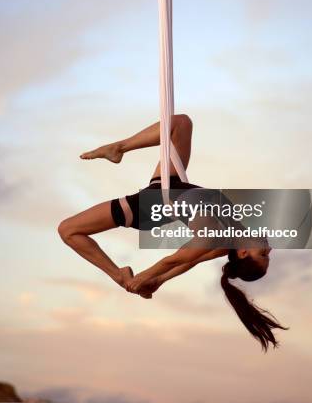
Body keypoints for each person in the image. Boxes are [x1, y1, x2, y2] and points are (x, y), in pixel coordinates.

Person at [58, 114, 288, 350]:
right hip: (172, 184)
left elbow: (177, 259)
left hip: (148, 207)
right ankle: (119, 148)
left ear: (243, 253)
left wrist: (142, 279)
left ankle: (119, 276)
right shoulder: (230, 237)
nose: (269, 249)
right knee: (181, 123)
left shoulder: (214, 238)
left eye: (263, 255)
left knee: (68, 230)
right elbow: (191, 262)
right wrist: (159, 281)